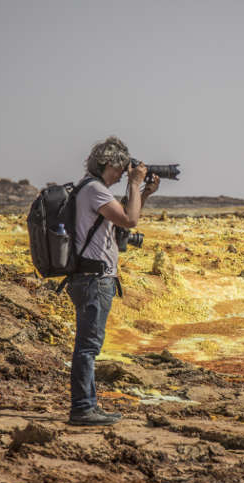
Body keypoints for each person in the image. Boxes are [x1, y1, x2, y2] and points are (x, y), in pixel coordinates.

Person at [67, 136, 159, 426]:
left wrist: (144, 193)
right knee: (88, 347)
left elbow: (123, 218)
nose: (122, 174)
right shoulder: (94, 190)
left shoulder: (91, 189)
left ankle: (89, 406)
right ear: (108, 163)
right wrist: (134, 184)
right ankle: (82, 409)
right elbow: (131, 222)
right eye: (120, 168)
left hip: (90, 278)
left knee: (88, 345)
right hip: (94, 280)